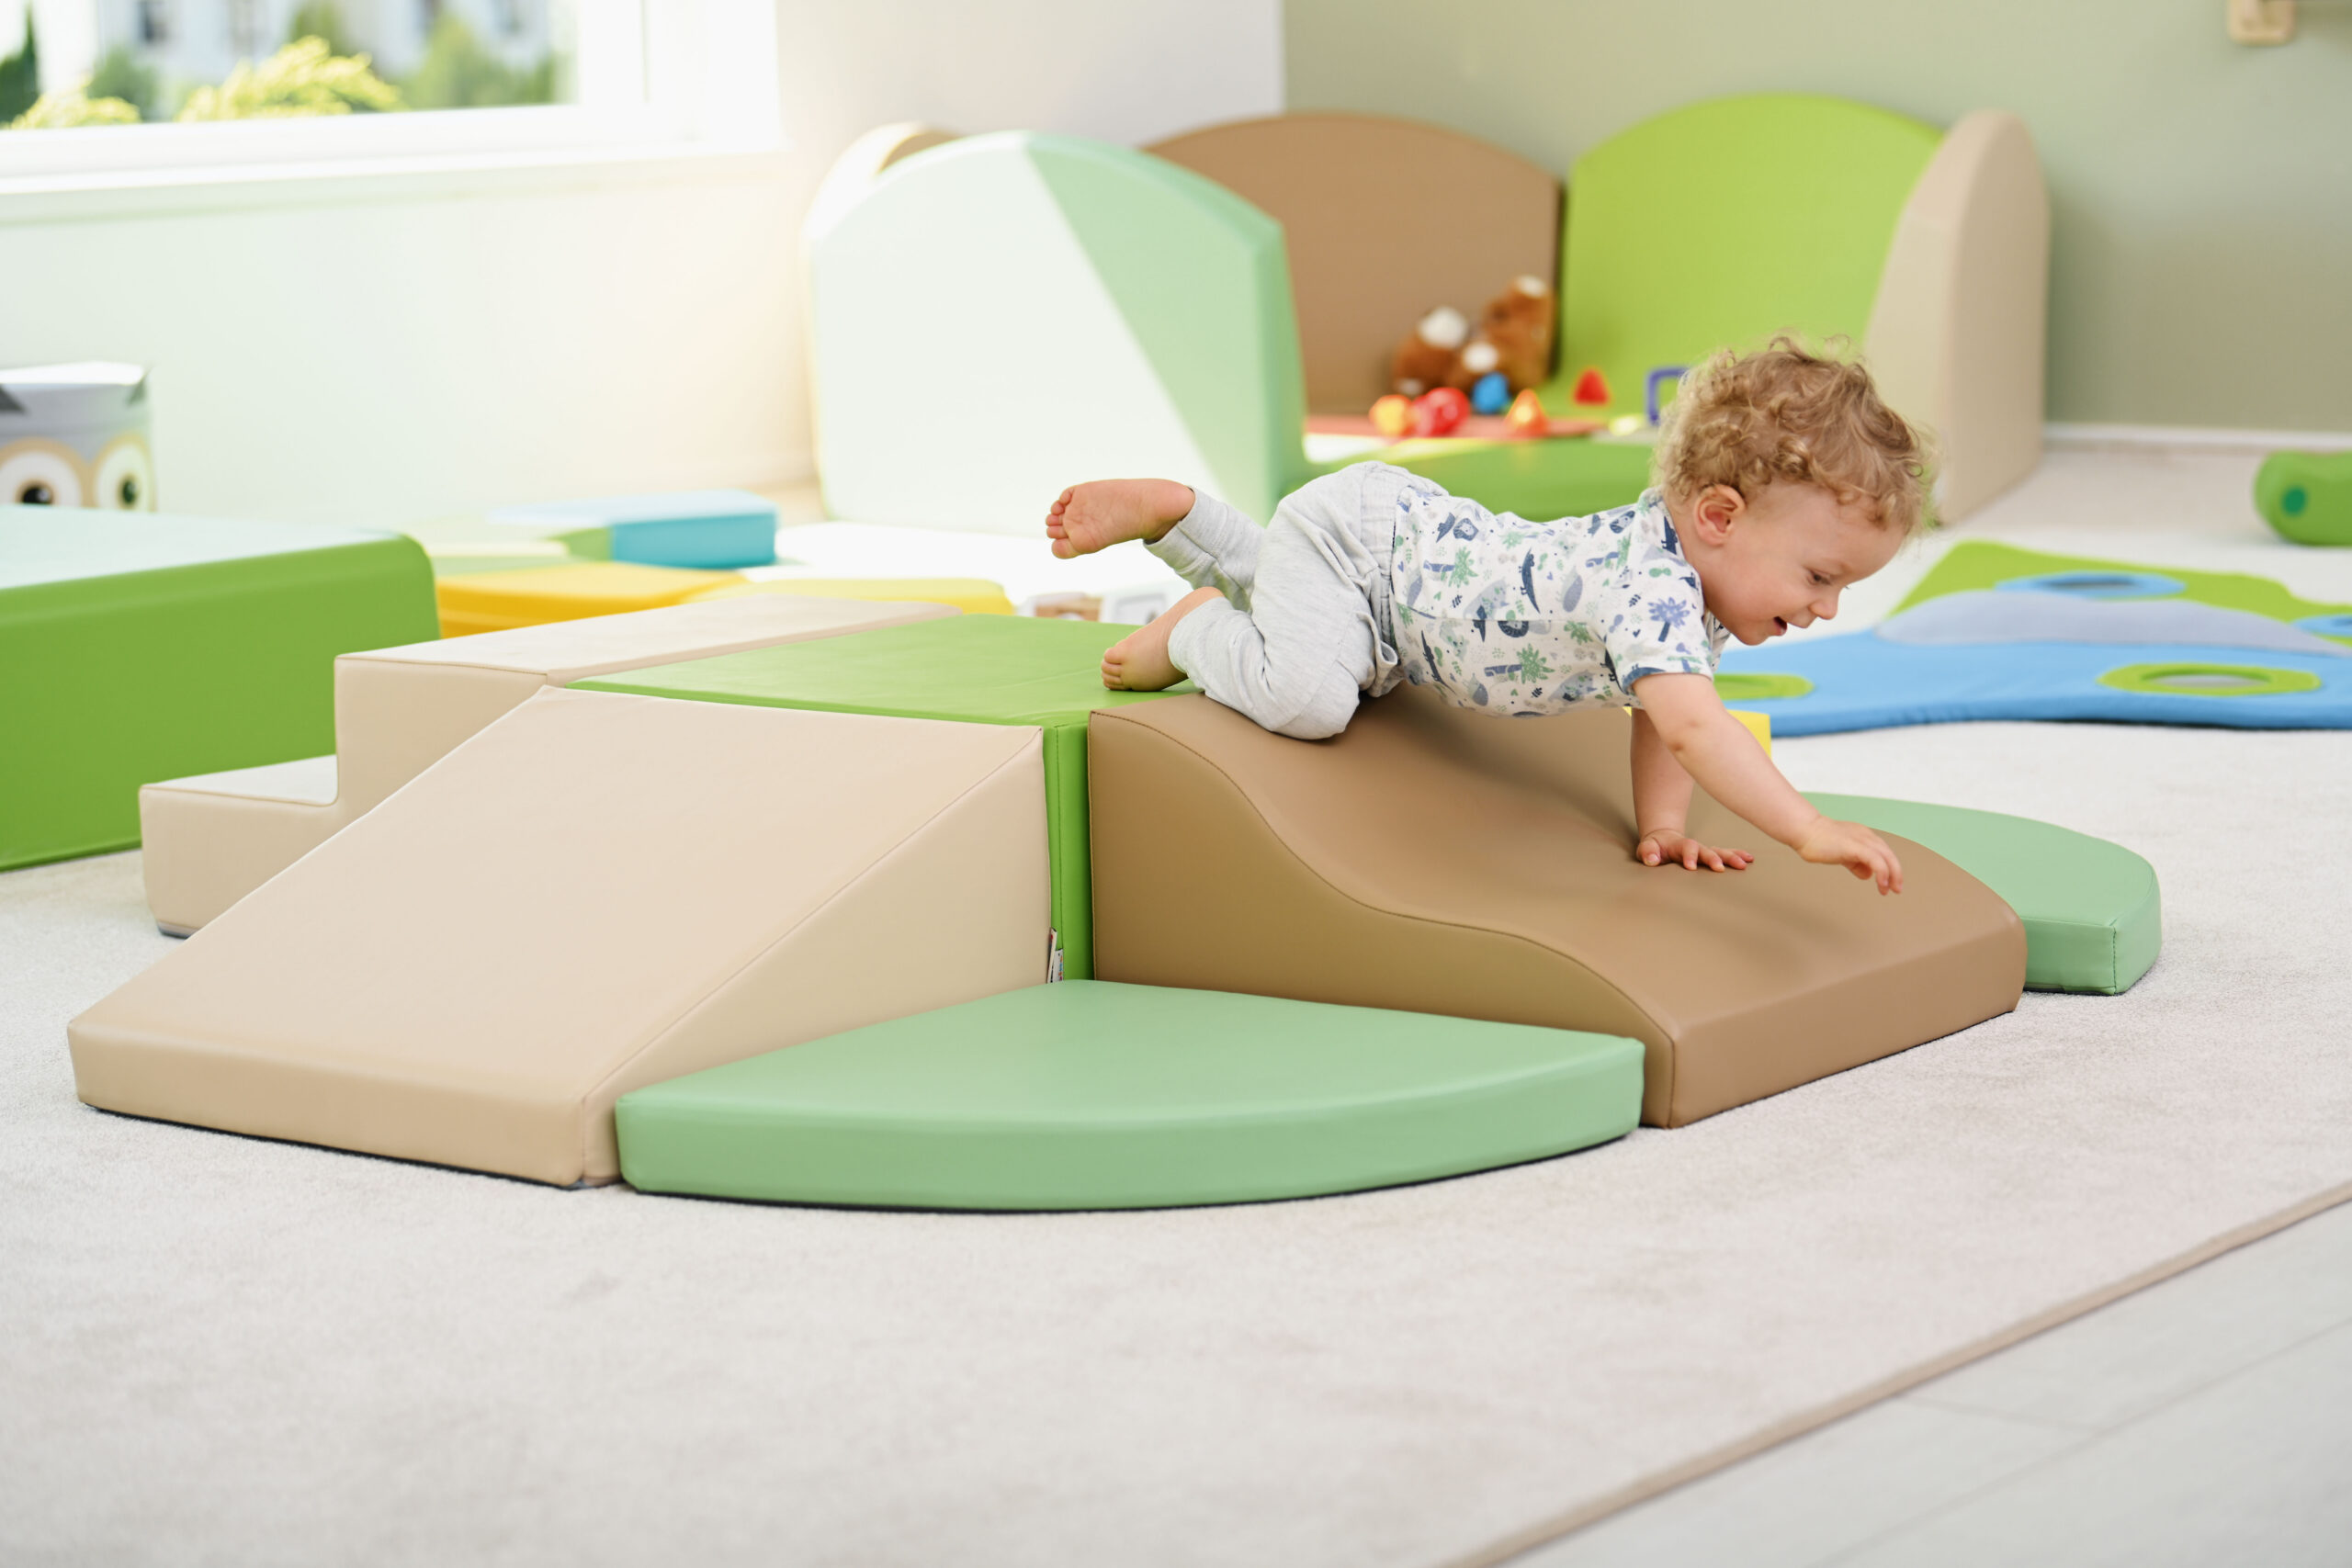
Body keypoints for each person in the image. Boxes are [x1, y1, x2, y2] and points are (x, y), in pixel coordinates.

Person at [1044, 339, 1928, 895]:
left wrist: (1662, 828)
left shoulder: (1691, 585)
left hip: (1394, 582)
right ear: (1721, 517)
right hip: (1362, 551)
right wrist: (1806, 828)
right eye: (1819, 576)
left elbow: (1663, 716)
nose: (1826, 607)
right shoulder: (1652, 587)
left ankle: (1195, 534)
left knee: (1343, 651)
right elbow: (1697, 729)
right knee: (1310, 700)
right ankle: (1197, 622)